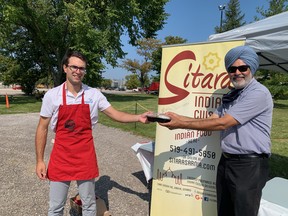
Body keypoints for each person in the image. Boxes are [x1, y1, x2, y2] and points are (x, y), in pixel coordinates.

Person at [158, 46, 273, 216]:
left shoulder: (258, 93)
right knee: (223, 211)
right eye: (232, 69)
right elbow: (212, 119)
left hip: (249, 166)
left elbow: (222, 124)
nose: (237, 72)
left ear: (252, 68)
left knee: (243, 212)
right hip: (226, 162)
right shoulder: (234, 94)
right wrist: (177, 117)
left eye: (243, 68)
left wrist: (180, 124)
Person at [35, 50, 150, 216]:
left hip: (84, 156)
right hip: (61, 156)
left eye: (82, 68)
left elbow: (115, 114)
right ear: (65, 68)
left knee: (89, 205)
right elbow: (42, 128)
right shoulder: (52, 96)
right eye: (74, 67)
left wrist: (138, 117)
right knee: (55, 207)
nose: (78, 71)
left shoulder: (94, 94)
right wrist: (39, 160)